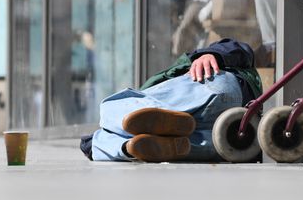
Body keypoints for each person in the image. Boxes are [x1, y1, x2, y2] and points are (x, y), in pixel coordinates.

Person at [79, 39, 261, 163]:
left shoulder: (186, 66)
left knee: (107, 110)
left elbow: (240, 48)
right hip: (233, 132)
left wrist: (210, 54)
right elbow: (242, 49)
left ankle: (124, 146)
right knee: (174, 142)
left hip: (212, 84)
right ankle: (132, 145)